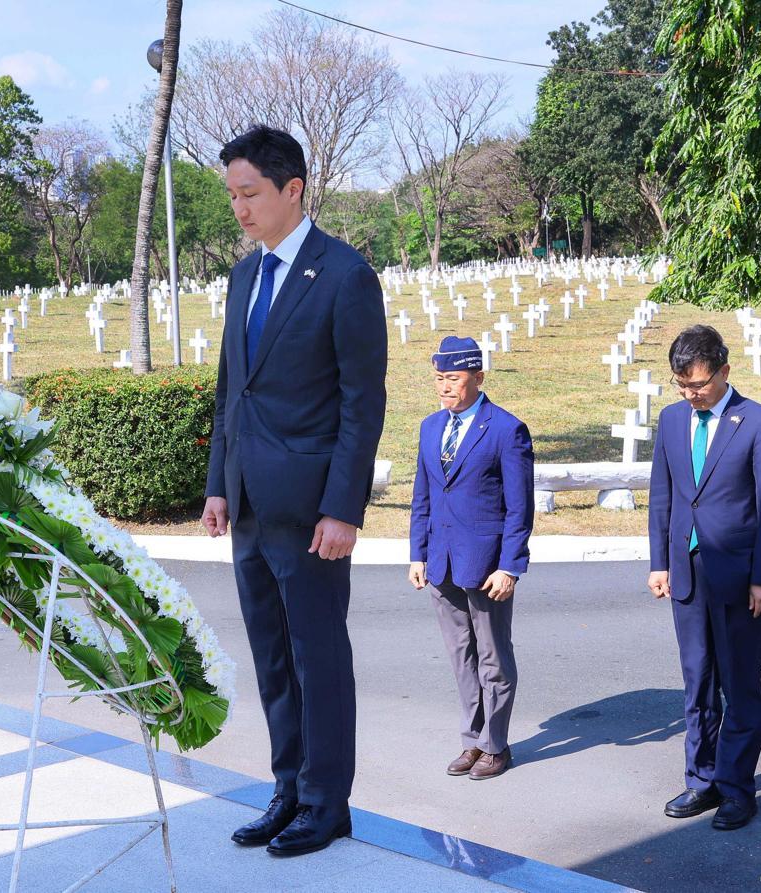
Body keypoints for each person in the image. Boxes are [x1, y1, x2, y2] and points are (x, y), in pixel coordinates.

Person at [201, 125, 386, 857]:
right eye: (233, 196)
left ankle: (325, 800)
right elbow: (230, 392)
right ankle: (287, 786)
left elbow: (360, 403)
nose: (240, 209)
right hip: (249, 503)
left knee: (317, 656)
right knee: (272, 656)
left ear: (292, 189)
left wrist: (344, 506)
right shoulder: (245, 277)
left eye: (250, 194)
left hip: (313, 513)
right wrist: (219, 484)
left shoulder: (343, 275)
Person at [648, 324, 761, 831]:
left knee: (740, 684)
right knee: (697, 680)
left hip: (738, 573)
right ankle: (701, 780)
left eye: (699, 386)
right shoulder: (670, 420)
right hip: (686, 572)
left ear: (724, 371)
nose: (690, 394)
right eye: (681, 386)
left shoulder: (757, 423)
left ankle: (736, 788)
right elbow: (663, 494)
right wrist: (659, 563)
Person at [408, 337, 534, 781]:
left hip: (486, 565)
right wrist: (417, 554)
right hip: (441, 562)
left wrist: (510, 565)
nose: (444, 387)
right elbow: (423, 496)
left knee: (493, 657)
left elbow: (520, 507)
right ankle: (472, 740)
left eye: (454, 379)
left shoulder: (505, 429)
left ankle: (495, 746)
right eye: (439, 378)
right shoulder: (429, 427)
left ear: (478, 378)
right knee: (461, 655)